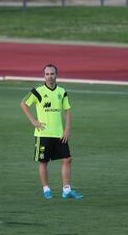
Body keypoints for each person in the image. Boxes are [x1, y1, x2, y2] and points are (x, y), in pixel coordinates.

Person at [20, 64, 83, 200]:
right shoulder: (38, 91)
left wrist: (67, 129)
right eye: (47, 74)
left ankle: (66, 190)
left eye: (52, 74)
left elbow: (67, 111)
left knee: (67, 159)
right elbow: (23, 104)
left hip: (59, 133)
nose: (50, 76)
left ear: (56, 75)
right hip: (43, 133)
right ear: (44, 76)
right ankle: (46, 189)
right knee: (43, 162)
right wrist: (33, 121)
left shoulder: (62, 91)